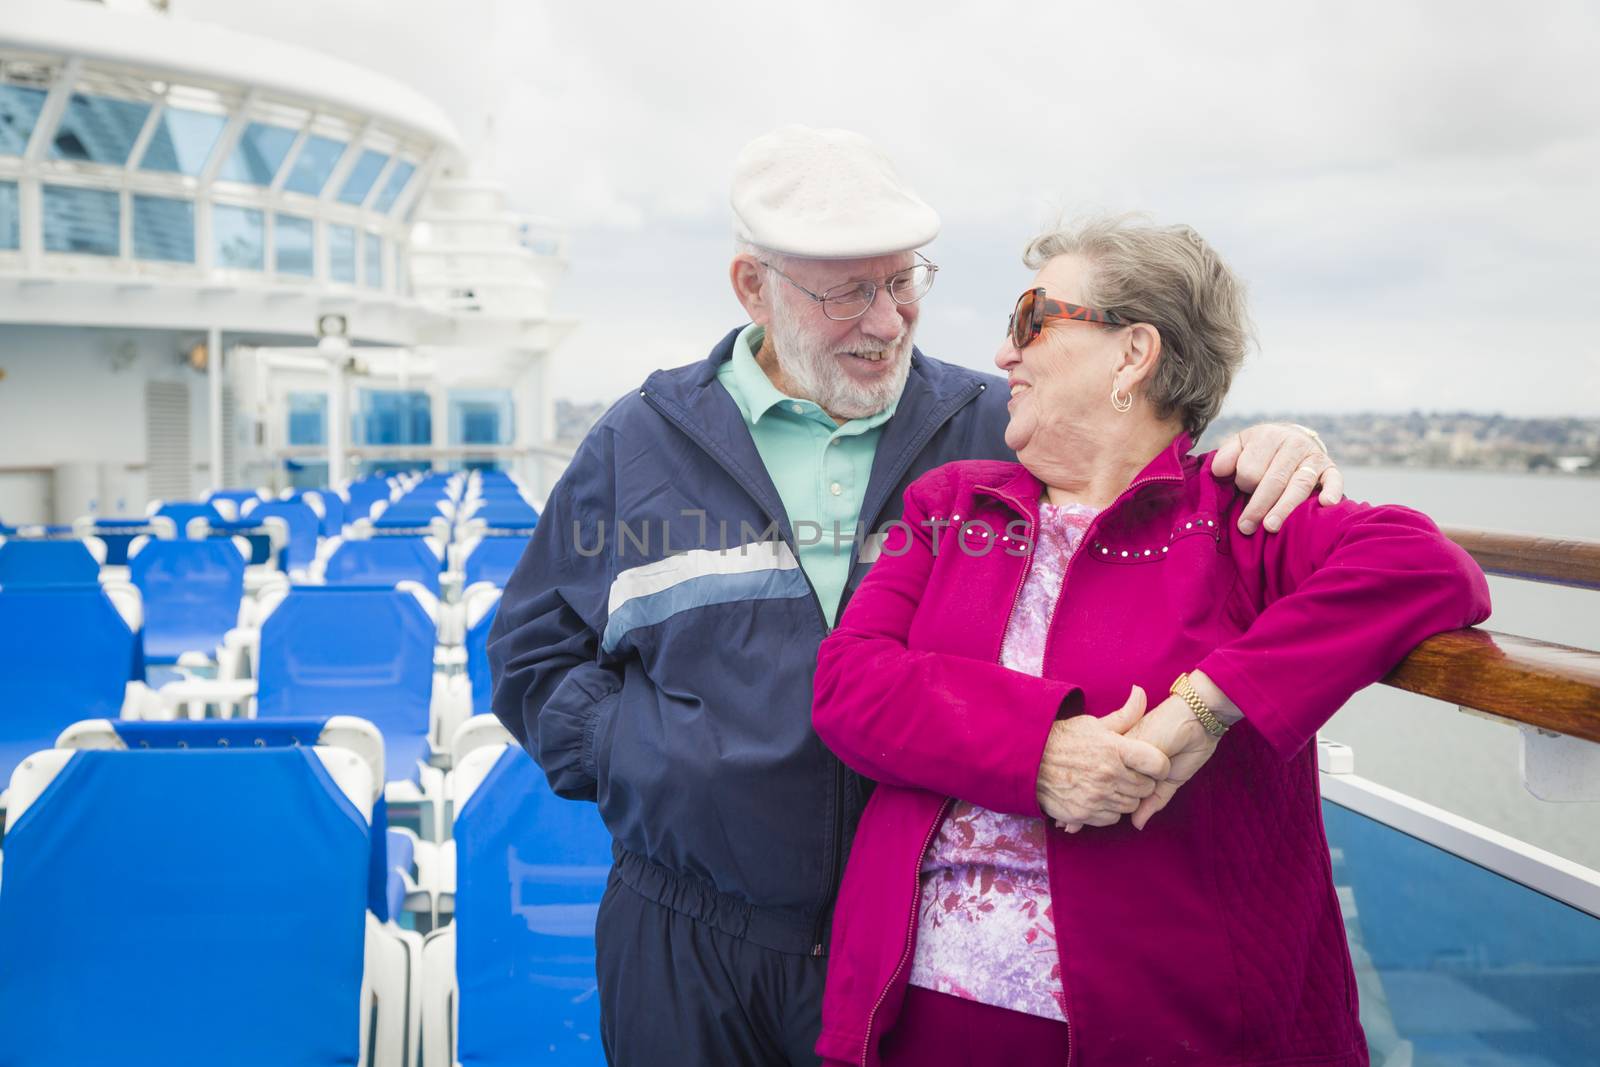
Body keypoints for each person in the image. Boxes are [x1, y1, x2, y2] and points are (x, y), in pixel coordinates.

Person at [489, 127, 1340, 1066]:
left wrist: (1277, 445)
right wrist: (647, 760)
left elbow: (1149, 467)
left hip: (900, 948)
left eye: (903, 283)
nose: (888, 321)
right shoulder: (638, 443)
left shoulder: (997, 427)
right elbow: (532, 655)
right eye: (847, 290)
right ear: (752, 287)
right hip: (688, 939)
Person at [810, 215, 1492, 1067]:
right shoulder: (950, 505)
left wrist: (1200, 709)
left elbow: (1426, 566)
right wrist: (1040, 750)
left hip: (1168, 1030)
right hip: (916, 1013)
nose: (1002, 354)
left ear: (1133, 353)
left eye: (1030, 318)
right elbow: (848, 684)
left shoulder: (1238, 517)